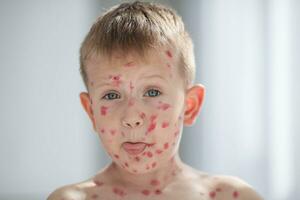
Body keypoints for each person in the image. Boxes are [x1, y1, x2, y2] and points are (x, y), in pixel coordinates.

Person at [47, 1, 263, 200]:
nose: (132, 117)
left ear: (190, 106)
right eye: (111, 95)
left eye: (152, 92)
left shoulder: (230, 196)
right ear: (91, 112)